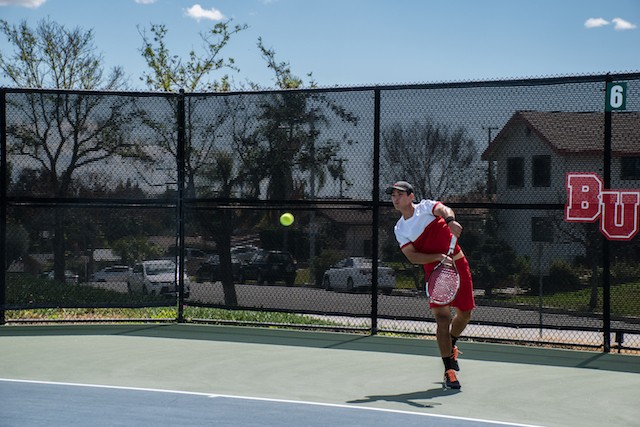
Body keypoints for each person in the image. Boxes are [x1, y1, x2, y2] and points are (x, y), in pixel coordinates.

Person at [386, 181, 475, 390]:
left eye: (400, 194)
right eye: (393, 195)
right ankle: (449, 371)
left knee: (465, 314)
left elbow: (443, 209)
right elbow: (412, 257)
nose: (395, 198)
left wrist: (450, 220)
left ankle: (451, 343)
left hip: (458, 263)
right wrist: (438, 257)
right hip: (434, 271)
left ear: (411, 196)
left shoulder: (426, 207)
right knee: (443, 319)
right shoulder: (400, 228)